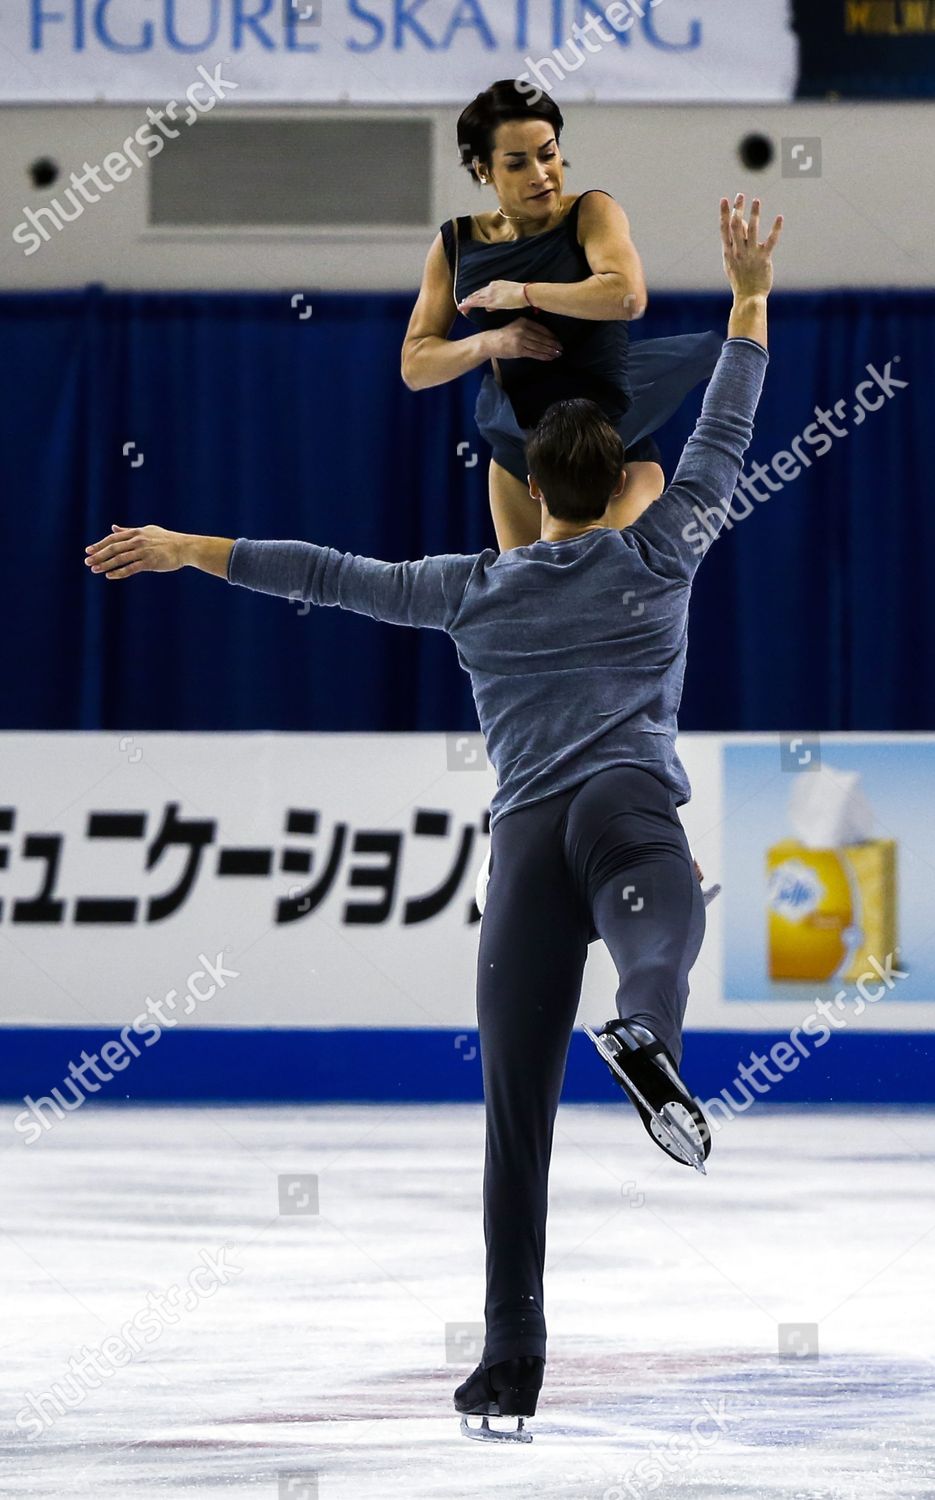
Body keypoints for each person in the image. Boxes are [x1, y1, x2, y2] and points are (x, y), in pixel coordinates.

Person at [84, 192, 782, 1445]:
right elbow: (722, 436)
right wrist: (743, 299)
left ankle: (509, 1360)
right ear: (617, 484)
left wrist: (189, 546)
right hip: (624, 808)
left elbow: (327, 573)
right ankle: (644, 1028)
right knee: (659, 925)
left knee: (515, 1126)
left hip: (521, 852)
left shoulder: (469, 590)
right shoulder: (660, 552)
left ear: (528, 492)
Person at [401, 78, 724, 551]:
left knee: (596, 592)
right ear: (484, 170)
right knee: (527, 609)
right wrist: (490, 342)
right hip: (521, 453)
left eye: (548, 154)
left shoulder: (592, 212)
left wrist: (526, 293)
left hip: (610, 448)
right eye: (517, 163)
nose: (541, 174)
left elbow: (626, 296)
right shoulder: (455, 243)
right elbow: (416, 364)